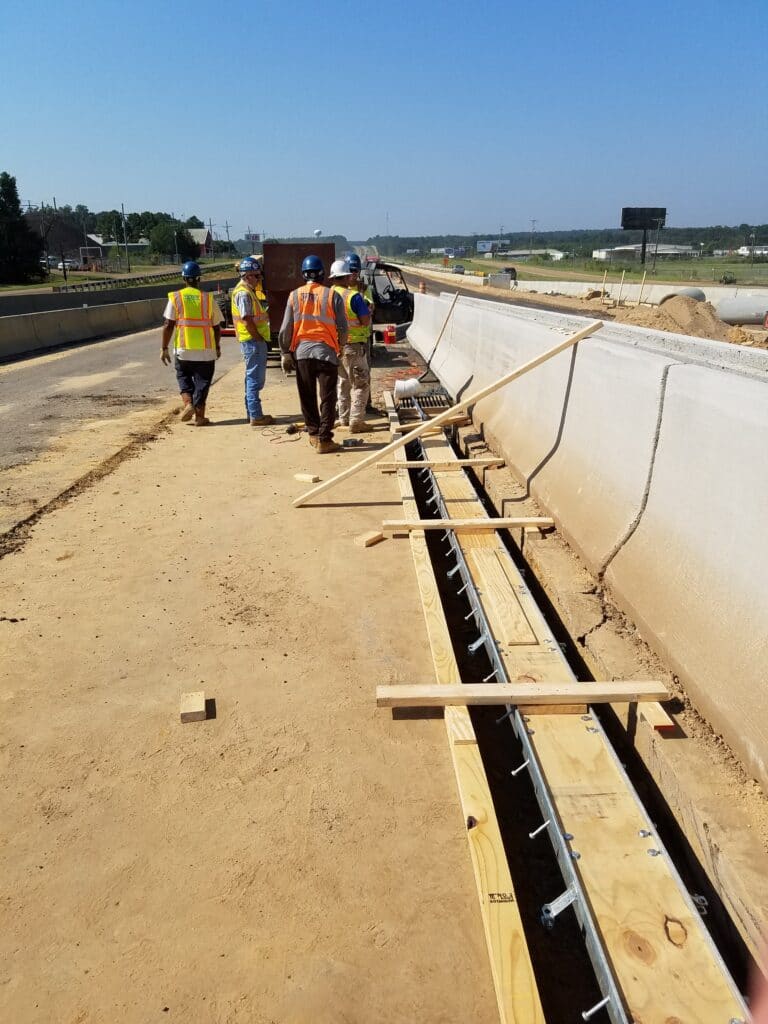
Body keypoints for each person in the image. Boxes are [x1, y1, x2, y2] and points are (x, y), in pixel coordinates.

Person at [278, 254, 347, 454]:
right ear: (323, 275)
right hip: (326, 353)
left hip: (302, 354)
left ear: (303, 274)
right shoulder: (332, 295)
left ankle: (313, 434)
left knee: (307, 396)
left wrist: (285, 352)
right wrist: (339, 347)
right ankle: (324, 439)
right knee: (328, 397)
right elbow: (342, 328)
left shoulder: (294, 295)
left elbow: (286, 328)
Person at [161, 260, 222, 426]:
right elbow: (217, 327)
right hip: (205, 351)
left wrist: (164, 348)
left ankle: (188, 404)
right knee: (202, 383)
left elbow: (168, 325)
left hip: (183, 350)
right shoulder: (208, 299)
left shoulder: (176, 298)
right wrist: (217, 346)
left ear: (184, 279)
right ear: (199, 279)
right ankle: (200, 417)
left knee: (184, 379)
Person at [328, 259, 372, 431]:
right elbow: (364, 320)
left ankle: (344, 418)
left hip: (334, 347)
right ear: (347, 277)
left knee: (343, 382)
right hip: (353, 346)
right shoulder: (354, 297)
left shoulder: (326, 295)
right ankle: (356, 421)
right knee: (361, 384)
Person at [231, 256, 274, 426]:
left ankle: (252, 413)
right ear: (247, 275)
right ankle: (256, 415)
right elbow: (247, 319)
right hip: (252, 340)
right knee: (254, 379)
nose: (259, 279)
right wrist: (257, 337)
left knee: (251, 378)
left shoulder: (248, 292)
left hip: (252, 340)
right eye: (256, 276)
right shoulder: (243, 293)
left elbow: (255, 317)